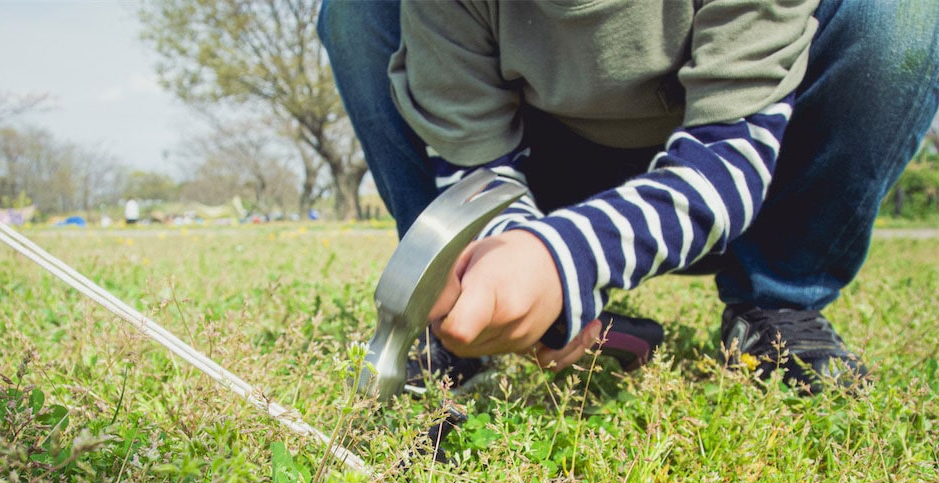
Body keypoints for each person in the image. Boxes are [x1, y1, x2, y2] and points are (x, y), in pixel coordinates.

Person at [319, 0, 939, 394]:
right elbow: (473, 166)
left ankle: (777, 306)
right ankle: (451, 301)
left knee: (902, 15)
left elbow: (729, 154)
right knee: (358, 11)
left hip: (743, 171)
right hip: (546, 165)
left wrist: (567, 259)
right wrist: (514, 261)